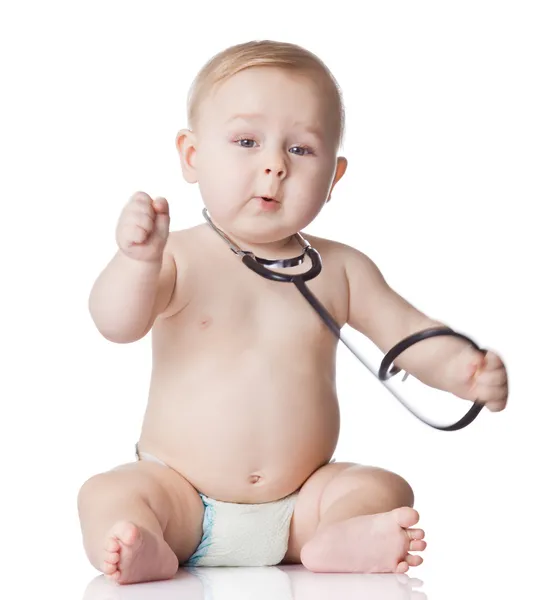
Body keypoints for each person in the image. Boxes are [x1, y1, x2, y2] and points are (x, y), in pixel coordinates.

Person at [77, 40, 508, 585]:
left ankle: (340, 539)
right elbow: (116, 323)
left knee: (383, 487)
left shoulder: (341, 268)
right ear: (192, 155)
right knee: (108, 493)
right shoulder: (178, 256)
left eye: (301, 150)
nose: (274, 166)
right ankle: (146, 546)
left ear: (335, 176)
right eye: (247, 141)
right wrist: (136, 261)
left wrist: (462, 371)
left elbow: (408, 334)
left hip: (303, 503)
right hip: (182, 495)